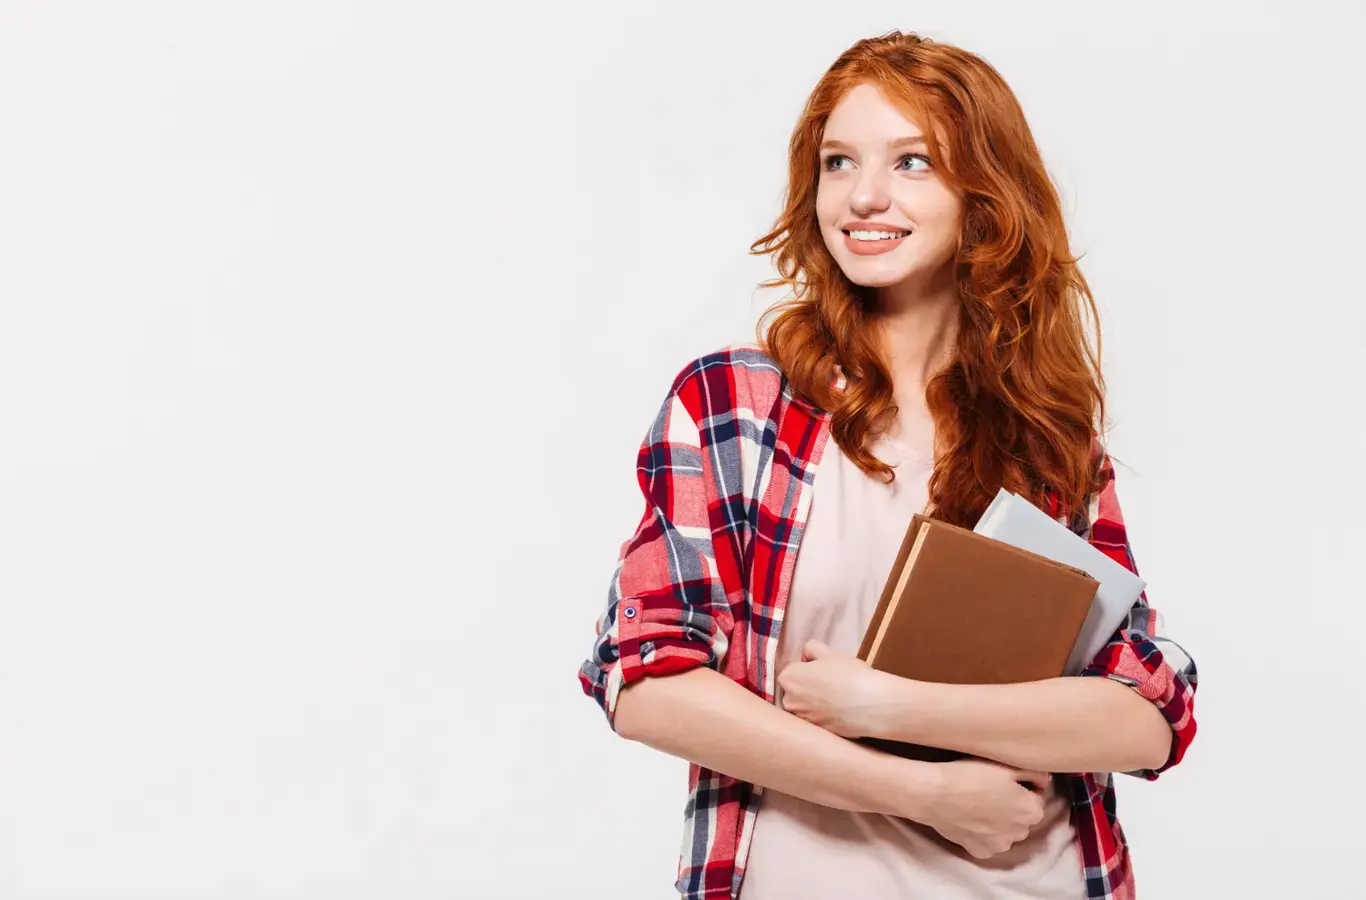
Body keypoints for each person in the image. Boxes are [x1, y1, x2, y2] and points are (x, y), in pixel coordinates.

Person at [576, 30, 1198, 900]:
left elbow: (1148, 713)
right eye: (838, 162)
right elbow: (645, 680)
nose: (864, 195)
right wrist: (921, 792)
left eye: (912, 161)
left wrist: (887, 705)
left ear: (984, 192)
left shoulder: (1042, 436)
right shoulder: (736, 406)